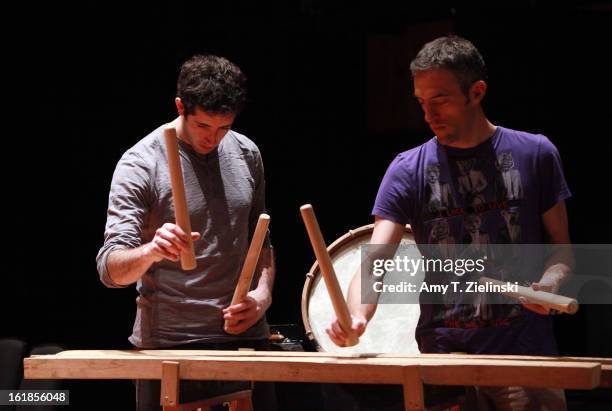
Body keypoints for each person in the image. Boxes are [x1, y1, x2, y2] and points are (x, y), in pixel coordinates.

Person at [328, 36, 573, 410]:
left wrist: (552, 283)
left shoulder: (535, 154)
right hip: (444, 357)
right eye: (421, 103)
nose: (428, 115)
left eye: (440, 100)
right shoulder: (406, 169)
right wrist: (358, 316)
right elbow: (376, 260)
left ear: (476, 92)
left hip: (524, 354)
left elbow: (562, 250)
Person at [96, 54, 276, 411]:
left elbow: (263, 242)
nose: (214, 138)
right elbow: (109, 269)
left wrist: (263, 295)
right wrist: (151, 251)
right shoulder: (141, 163)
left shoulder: (246, 152)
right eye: (203, 126)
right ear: (180, 106)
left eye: (223, 127)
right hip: (171, 346)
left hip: (244, 339)